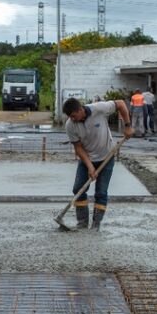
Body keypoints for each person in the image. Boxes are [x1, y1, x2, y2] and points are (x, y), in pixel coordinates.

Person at [63, 97, 133, 230]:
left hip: (106, 157)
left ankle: (96, 224)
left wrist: (128, 126)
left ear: (80, 110)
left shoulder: (99, 109)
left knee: (101, 192)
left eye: (73, 115)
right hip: (87, 159)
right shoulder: (70, 125)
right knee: (78, 188)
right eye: (69, 117)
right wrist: (90, 166)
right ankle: (82, 223)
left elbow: (121, 104)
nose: (71, 119)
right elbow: (78, 148)